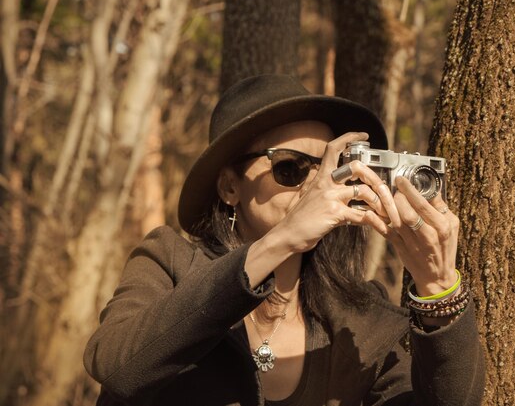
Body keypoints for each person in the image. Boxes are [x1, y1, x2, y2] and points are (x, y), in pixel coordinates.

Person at [84, 74, 485, 406]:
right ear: (229, 186)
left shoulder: (360, 320)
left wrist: (437, 290)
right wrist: (283, 239)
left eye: (328, 169)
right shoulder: (168, 262)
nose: (316, 184)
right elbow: (117, 366)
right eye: (290, 167)